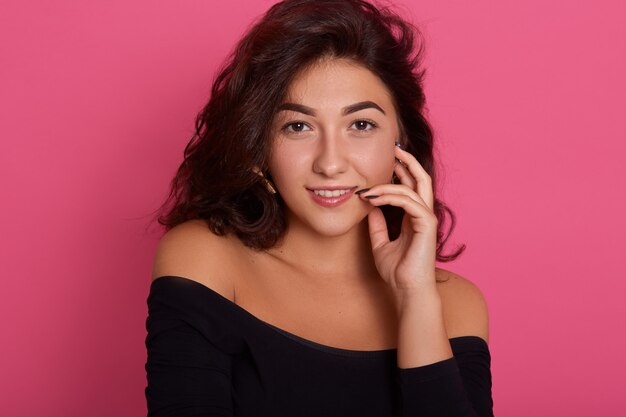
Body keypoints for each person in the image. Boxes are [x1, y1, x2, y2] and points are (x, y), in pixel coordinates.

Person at [145, 0, 493, 415]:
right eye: (298, 126)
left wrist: (415, 298)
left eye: (360, 125)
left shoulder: (456, 305)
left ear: (401, 145)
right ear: (258, 148)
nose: (330, 163)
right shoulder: (207, 260)